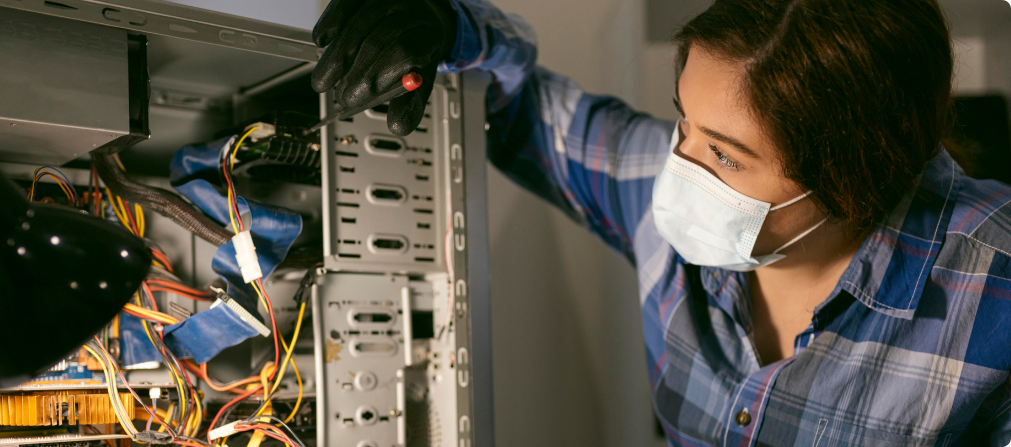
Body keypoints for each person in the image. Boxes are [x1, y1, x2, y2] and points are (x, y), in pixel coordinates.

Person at [310, 0, 1011, 444]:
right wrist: (440, 24)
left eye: (726, 157)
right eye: (684, 120)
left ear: (855, 178)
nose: (677, 165)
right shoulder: (664, 176)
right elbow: (522, 107)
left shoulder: (994, 287)